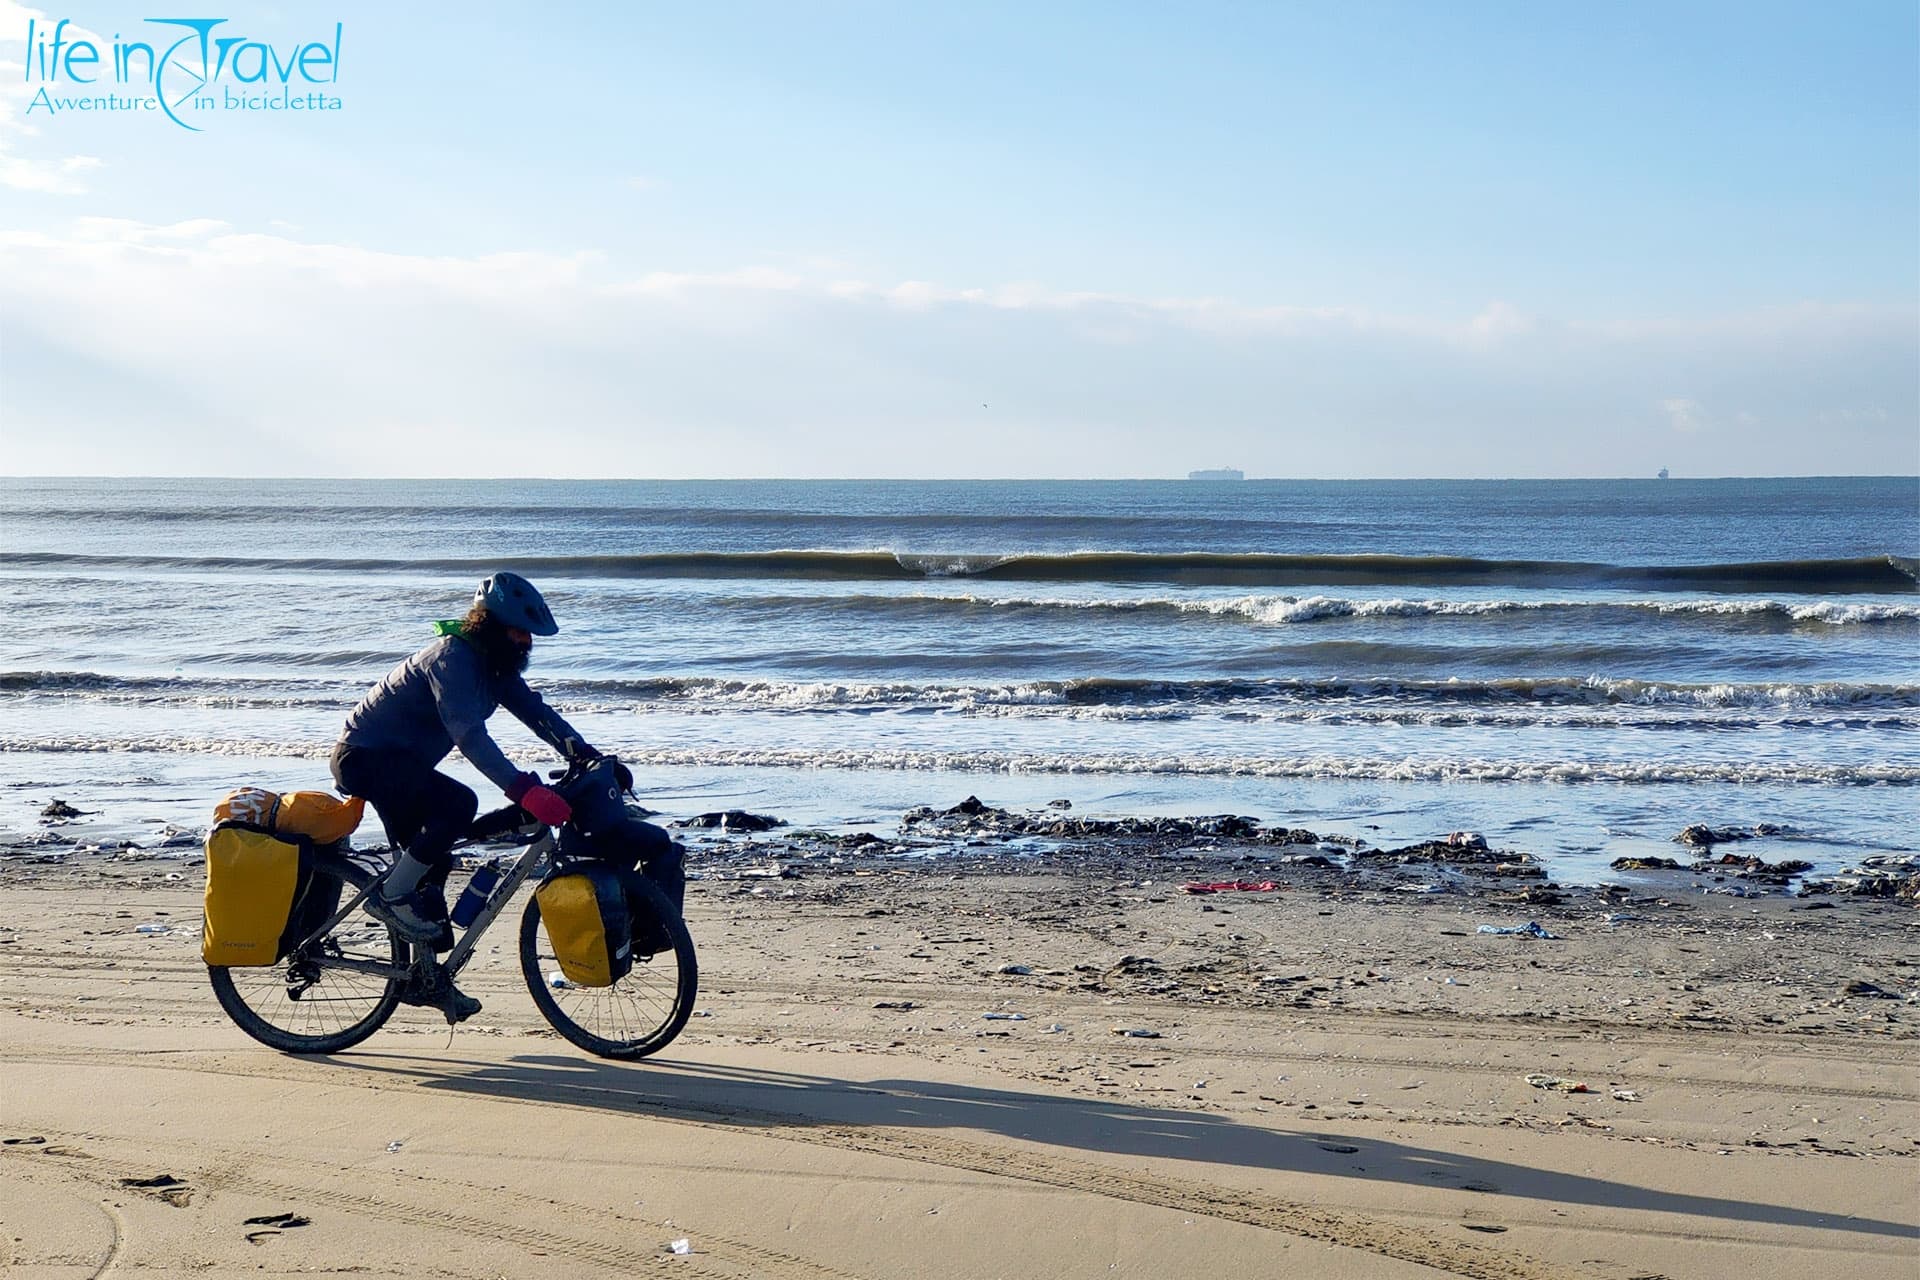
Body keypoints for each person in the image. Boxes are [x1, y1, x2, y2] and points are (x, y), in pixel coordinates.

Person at [331, 573, 596, 990]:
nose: (527, 642)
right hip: (365, 760)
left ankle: (422, 984)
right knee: (457, 805)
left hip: (401, 765)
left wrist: (584, 753)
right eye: (518, 631)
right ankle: (390, 896)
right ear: (489, 625)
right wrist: (523, 789)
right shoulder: (451, 659)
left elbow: (534, 711)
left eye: (529, 634)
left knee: (434, 879)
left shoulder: (494, 666)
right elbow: (469, 735)